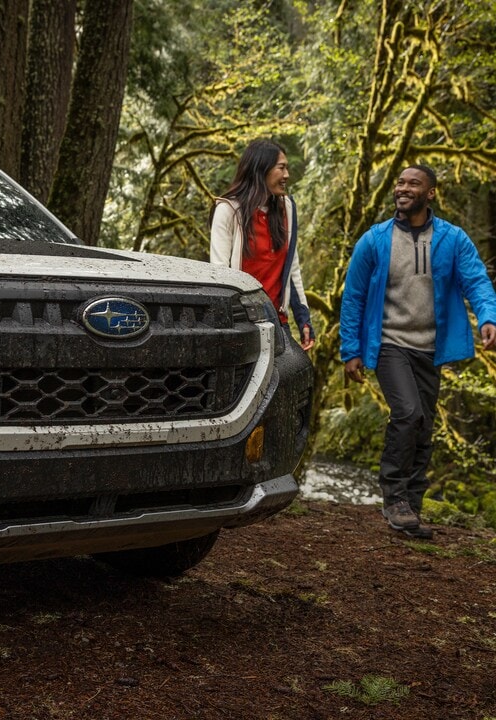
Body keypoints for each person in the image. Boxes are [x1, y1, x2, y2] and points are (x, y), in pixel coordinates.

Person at [340, 164, 496, 539]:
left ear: (430, 194)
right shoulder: (374, 240)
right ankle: (393, 496)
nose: (403, 188)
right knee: (408, 413)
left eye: (414, 184)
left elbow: (476, 280)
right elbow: (354, 298)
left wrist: (489, 317)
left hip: (430, 348)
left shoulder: (452, 239)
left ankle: (411, 506)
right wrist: (351, 350)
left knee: (424, 424)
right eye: (400, 182)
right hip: (390, 343)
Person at [210, 139, 315, 350]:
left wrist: (303, 317)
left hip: (278, 323)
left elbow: (291, 269)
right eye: (281, 168)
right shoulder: (228, 210)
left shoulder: (287, 207)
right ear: (261, 169)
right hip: (243, 325)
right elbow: (218, 275)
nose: (287, 175)